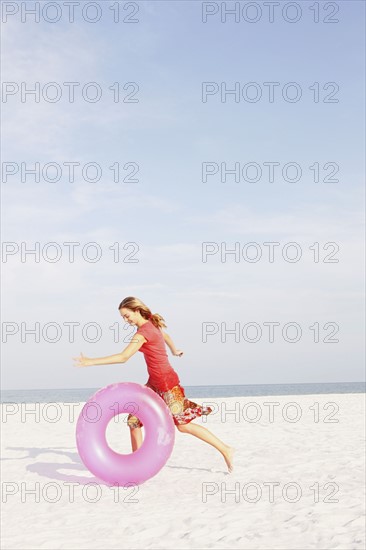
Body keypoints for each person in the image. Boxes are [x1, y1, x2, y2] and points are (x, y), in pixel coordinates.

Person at [73, 296, 235, 473]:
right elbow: (166, 335)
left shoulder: (143, 333)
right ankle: (138, 464)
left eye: (127, 316)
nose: (125, 320)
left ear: (136, 311)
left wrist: (91, 362)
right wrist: (174, 350)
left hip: (167, 383)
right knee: (134, 421)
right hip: (155, 383)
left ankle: (225, 449)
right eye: (123, 318)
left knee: (183, 426)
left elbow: (123, 357)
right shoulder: (150, 324)